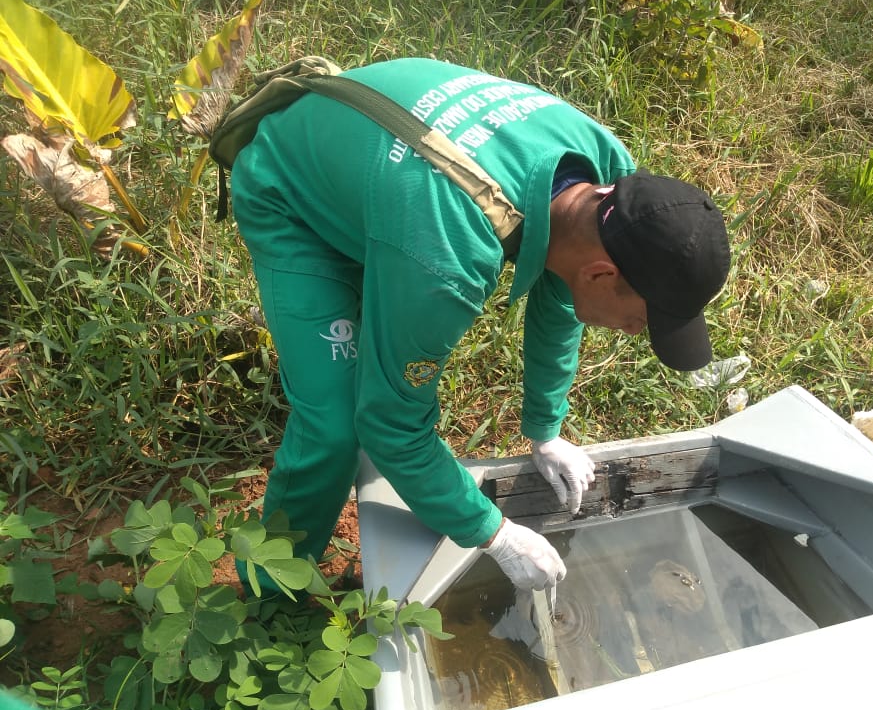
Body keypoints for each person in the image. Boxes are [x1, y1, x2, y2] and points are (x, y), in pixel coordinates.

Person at [229, 57, 731, 595]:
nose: (634, 332)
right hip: (293, 190)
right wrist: (493, 533)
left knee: (381, 350)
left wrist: (545, 429)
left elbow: (561, 295)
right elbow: (392, 429)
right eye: (640, 320)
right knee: (336, 424)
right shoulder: (446, 262)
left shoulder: (610, 179)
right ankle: (267, 594)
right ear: (602, 273)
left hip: (380, 174)